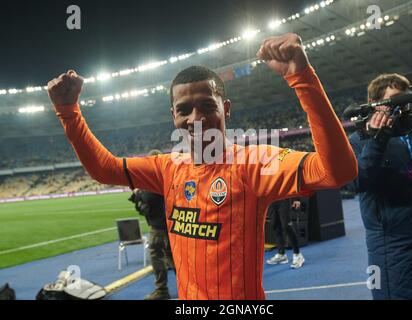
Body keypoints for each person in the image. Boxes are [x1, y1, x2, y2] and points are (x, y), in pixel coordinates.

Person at [47, 33, 357, 300]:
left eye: (207, 106)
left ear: (226, 109)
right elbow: (104, 169)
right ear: (173, 116)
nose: (196, 119)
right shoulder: (166, 168)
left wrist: (302, 77)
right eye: (184, 110)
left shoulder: (253, 164)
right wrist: (68, 112)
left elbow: (338, 171)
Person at [348, 73, 412, 300]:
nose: (404, 106)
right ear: (377, 105)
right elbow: (356, 181)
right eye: (396, 100)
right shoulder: (358, 140)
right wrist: (378, 139)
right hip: (395, 251)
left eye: (407, 99)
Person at [128, 149, 174, 300]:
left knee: (157, 257)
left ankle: (162, 291)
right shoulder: (170, 177)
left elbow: (146, 206)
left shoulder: (151, 183)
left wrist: (138, 195)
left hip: (158, 229)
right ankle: (188, 288)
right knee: (173, 258)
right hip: (174, 227)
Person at [266, 199, 305, 269]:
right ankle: (281, 255)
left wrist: (296, 199)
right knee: (275, 225)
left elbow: (292, 187)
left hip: (284, 197)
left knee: (286, 226)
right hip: (272, 199)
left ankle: (298, 254)